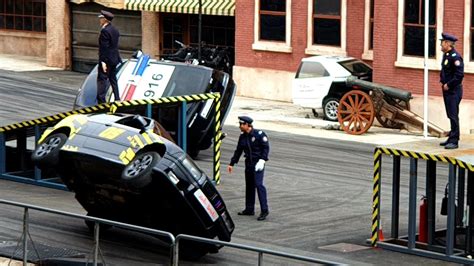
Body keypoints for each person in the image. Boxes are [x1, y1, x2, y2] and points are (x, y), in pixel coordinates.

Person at [227, 116, 270, 221]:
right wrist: (232, 163)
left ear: (248, 125)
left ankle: (264, 210)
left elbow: (266, 147)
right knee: (249, 186)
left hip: (258, 163)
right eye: (240, 124)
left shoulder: (259, 135)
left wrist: (262, 160)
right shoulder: (242, 137)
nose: (240, 126)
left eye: (242, 124)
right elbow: (238, 150)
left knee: (259, 185)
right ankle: (249, 209)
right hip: (249, 163)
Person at [439, 33, 464, 149]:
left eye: (442, 42)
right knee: (450, 114)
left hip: (453, 90)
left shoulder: (455, 57)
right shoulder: (447, 55)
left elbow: (459, 75)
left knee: (454, 115)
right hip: (447, 90)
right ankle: (451, 137)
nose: (441, 44)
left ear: (448, 44)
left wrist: (449, 84)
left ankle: (454, 140)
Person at [97, 10, 121, 104]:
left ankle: (101, 101)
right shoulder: (115, 30)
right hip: (114, 58)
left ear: (105, 20)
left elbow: (104, 47)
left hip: (106, 59)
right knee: (113, 78)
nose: (100, 20)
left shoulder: (105, 31)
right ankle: (117, 98)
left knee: (102, 79)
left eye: (101, 18)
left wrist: (103, 61)